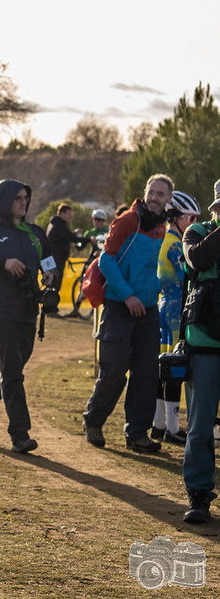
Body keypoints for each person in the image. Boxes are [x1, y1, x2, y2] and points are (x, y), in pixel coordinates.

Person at [0, 180, 57, 453]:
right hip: (1, 312)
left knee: (10, 369)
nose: (23, 202)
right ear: (4, 200)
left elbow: (50, 263)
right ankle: (20, 434)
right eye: (17, 198)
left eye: (26, 197)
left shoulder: (36, 234)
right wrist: (2, 264)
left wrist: (51, 276)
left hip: (29, 313)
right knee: (13, 372)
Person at [82, 174, 170, 453]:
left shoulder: (162, 226)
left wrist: (154, 290)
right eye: (151, 192)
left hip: (148, 309)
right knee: (114, 371)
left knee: (146, 373)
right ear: (145, 193)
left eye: (160, 194)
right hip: (119, 306)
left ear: (168, 198)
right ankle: (94, 421)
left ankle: (137, 434)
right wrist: (128, 295)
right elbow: (107, 260)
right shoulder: (128, 220)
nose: (154, 197)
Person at [180, 180, 220, 523]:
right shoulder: (196, 232)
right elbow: (199, 259)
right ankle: (198, 493)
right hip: (204, 343)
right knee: (200, 426)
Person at [151, 191, 200, 445]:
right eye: (190, 217)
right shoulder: (174, 244)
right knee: (174, 369)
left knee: (164, 368)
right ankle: (171, 428)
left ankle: (158, 425)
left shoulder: (167, 239)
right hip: (174, 310)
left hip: (164, 307)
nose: (192, 222)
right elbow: (188, 276)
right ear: (178, 217)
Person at [46, 203, 86, 302]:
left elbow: (67, 236)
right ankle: (50, 306)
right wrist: (88, 240)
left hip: (56, 259)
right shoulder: (59, 225)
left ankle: (51, 306)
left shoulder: (57, 224)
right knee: (55, 283)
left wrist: (74, 234)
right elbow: (71, 238)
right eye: (69, 214)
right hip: (56, 259)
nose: (70, 216)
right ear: (62, 214)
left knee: (54, 283)